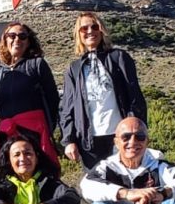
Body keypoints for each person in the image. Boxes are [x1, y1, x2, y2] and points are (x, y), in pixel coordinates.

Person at [61, 12, 147, 172]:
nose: (89, 31)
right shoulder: (74, 68)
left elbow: (134, 95)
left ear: (102, 30)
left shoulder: (119, 57)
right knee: (97, 185)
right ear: (78, 34)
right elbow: (67, 107)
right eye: (84, 28)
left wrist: (138, 129)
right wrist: (68, 141)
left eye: (94, 26)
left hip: (121, 136)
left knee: (126, 181)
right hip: (89, 140)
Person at [0, 22, 60, 178]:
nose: (17, 39)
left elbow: (53, 100)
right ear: (5, 40)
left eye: (22, 36)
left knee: (39, 175)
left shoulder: (37, 65)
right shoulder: (0, 73)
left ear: (28, 41)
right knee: (11, 176)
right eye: (11, 36)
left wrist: (47, 128)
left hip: (35, 135)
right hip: (8, 136)